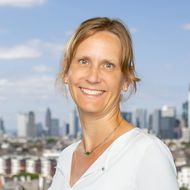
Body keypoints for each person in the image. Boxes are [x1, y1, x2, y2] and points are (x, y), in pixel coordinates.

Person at [48, 17, 179, 190]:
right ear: (66, 71)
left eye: (108, 65)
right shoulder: (67, 157)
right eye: (84, 61)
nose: (93, 77)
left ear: (126, 79)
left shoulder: (146, 153)